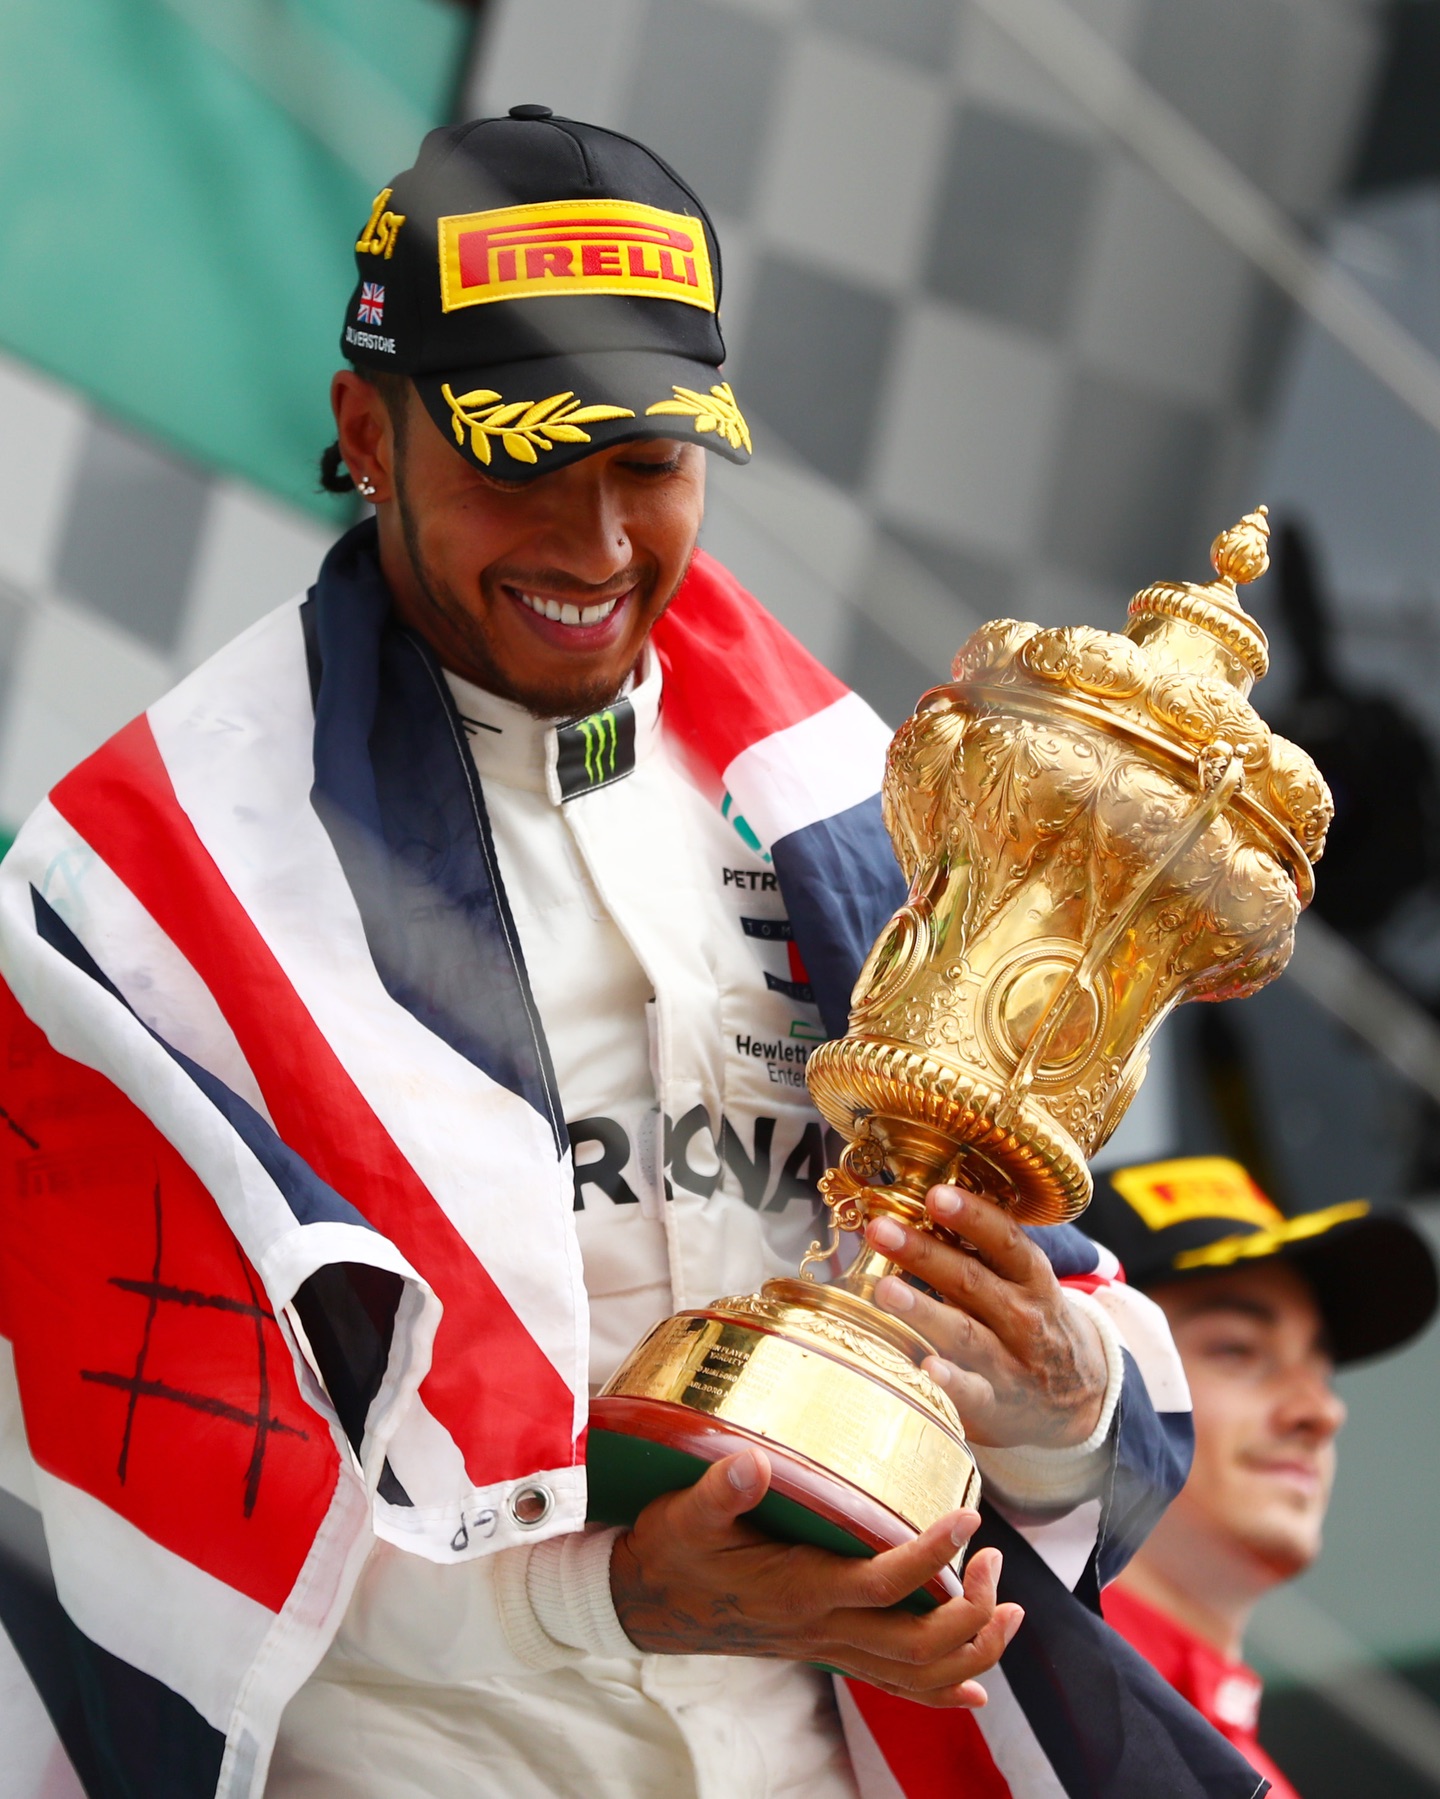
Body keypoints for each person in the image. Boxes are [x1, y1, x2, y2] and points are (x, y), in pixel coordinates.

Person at [0, 111, 1261, 1799]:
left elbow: (1071, 1414)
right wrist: (610, 1596)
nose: (596, 546)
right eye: (523, 459)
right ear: (368, 432)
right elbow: (137, 1489)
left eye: (649, 465)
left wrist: (1052, 1390)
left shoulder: (846, 791)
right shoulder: (142, 892)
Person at [1085, 1154, 1439, 1798]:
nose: (1321, 1411)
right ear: (1071, 1383)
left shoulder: (1235, 1763)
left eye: (1321, 1367)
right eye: (1238, 1349)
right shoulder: (981, 1696)